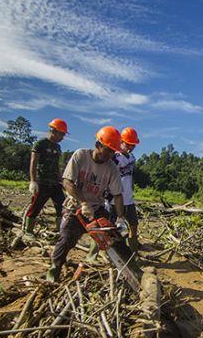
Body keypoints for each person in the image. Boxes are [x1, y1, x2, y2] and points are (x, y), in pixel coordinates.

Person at [46, 126, 128, 282]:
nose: (110, 155)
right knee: (66, 239)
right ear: (98, 145)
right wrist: (83, 203)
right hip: (75, 206)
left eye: (113, 151)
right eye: (108, 150)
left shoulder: (112, 168)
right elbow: (67, 182)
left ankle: (123, 270)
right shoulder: (81, 156)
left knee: (113, 237)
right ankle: (53, 271)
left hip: (96, 207)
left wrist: (120, 217)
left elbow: (117, 195)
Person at [23, 118, 68, 240]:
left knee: (62, 207)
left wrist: (62, 181)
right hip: (42, 182)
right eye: (61, 134)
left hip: (55, 183)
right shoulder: (40, 144)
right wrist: (33, 181)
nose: (63, 137)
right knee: (36, 206)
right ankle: (28, 231)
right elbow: (33, 163)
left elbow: (57, 166)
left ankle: (60, 231)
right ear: (54, 131)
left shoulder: (58, 147)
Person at [115, 127, 141, 253]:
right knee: (113, 227)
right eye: (128, 144)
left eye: (133, 145)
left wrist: (132, 189)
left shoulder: (132, 159)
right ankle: (117, 252)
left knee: (133, 225)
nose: (130, 147)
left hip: (129, 199)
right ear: (122, 142)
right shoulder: (114, 157)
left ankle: (133, 252)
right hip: (114, 199)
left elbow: (132, 177)